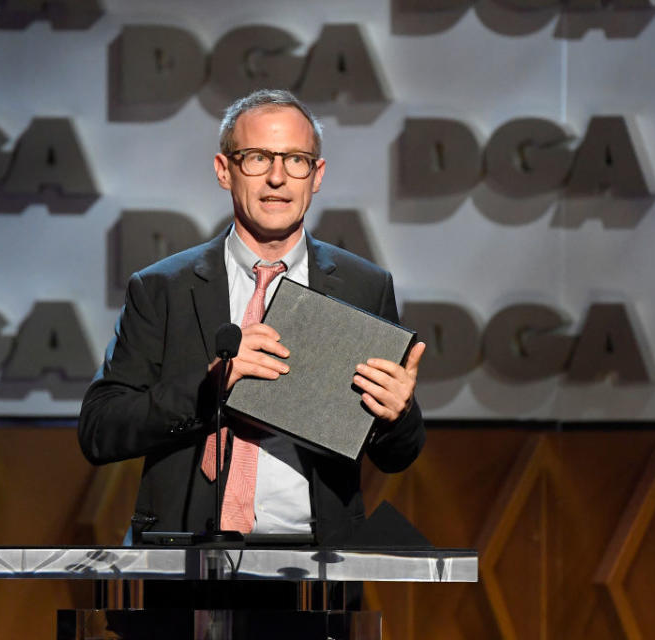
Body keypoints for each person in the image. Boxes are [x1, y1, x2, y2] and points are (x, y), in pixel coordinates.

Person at [78, 89, 426, 547]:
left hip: (314, 562)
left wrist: (396, 415)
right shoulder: (163, 287)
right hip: (185, 557)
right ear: (225, 170)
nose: (278, 178)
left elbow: (397, 455)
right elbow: (100, 430)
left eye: (296, 160)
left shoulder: (365, 286)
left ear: (316, 175)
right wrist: (209, 390)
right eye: (258, 158)